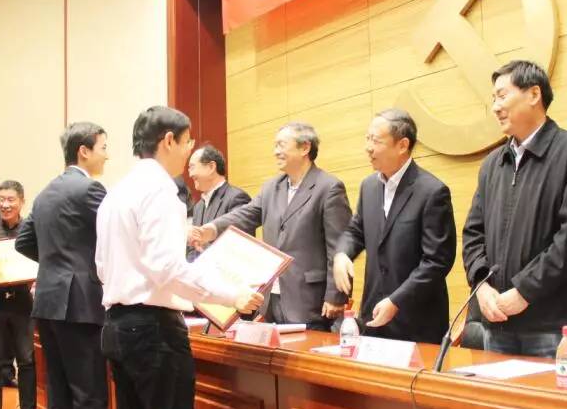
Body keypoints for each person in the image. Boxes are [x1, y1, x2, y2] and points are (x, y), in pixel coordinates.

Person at [96, 106, 263, 409]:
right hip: (153, 329)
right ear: (168, 140)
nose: (189, 151)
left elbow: (102, 267)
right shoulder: (161, 192)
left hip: (117, 322)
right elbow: (168, 269)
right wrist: (232, 295)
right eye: (187, 141)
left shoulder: (116, 193)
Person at [462, 60, 567, 357]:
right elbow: (473, 233)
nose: (495, 107)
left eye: (502, 96)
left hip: (554, 327)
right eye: (493, 99)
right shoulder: (492, 164)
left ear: (534, 94)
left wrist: (524, 291)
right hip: (498, 323)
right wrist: (481, 286)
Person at [15, 122, 115, 409]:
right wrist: (83, 268)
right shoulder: (90, 189)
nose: (107, 154)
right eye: (103, 147)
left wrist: (56, 265)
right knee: (89, 397)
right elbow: (117, 235)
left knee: (59, 397)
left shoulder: (44, 194)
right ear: (83, 151)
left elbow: (24, 241)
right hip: (81, 304)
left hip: (48, 302)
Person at [191, 122, 352, 330]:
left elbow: (339, 247)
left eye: (281, 145)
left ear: (305, 147)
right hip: (271, 300)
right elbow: (245, 214)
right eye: (275, 145)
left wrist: (335, 296)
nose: (276, 151)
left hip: (310, 301)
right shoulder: (271, 187)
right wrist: (210, 230)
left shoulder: (328, 188)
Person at [333, 109, 456, 342]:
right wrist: (342, 254)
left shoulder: (432, 191)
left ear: (402, 145)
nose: (368, 148)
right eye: (367, 139)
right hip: (373, 317)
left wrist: (396, 301)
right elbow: (355, 231)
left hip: (416, 322)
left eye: (376, 141)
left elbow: (437, 261)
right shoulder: (369, 186)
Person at [0, 180, 40, 409]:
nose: (5, 205)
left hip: (22, 302)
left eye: (11, 200)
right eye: (2, 200)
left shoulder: (30, 228)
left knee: (26, 359)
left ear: (21, 202)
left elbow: (39, 259)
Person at [186, 144, 253, 261]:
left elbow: (238, 245)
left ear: (211, 167)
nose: (190, 174)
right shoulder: (198, 207)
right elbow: (192, 248)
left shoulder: (237, 198)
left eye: (192, 167)